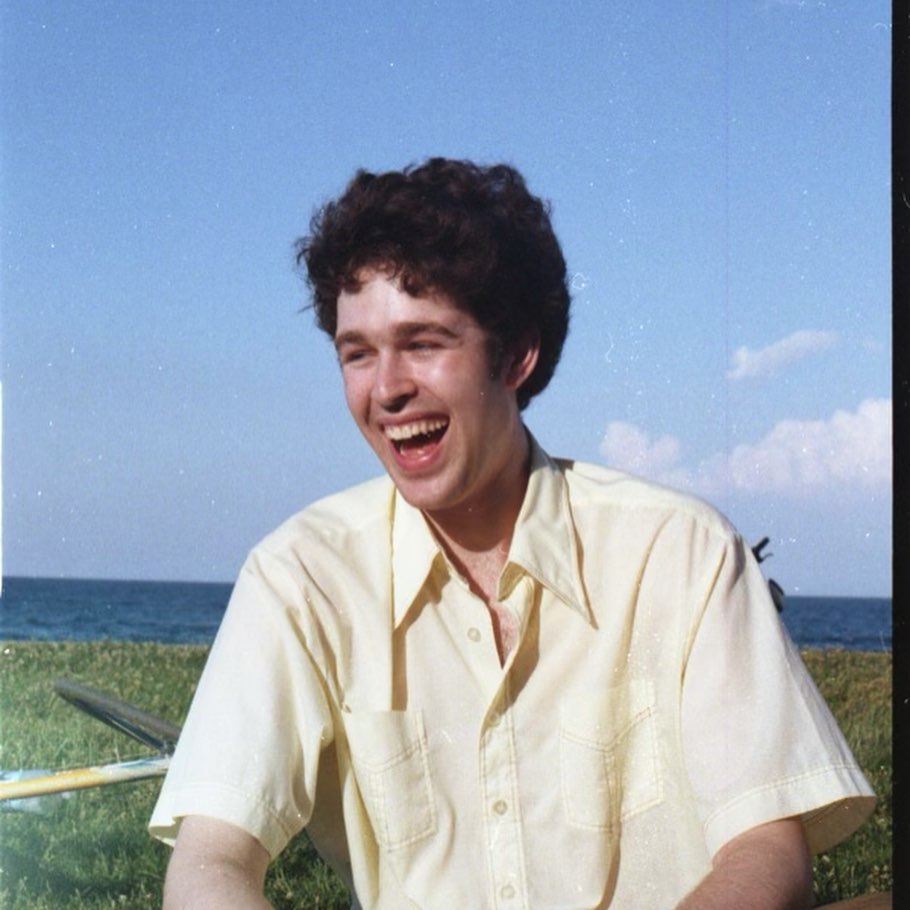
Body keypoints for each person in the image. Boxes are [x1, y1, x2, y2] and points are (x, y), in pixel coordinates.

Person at [150, 158, 875, 909]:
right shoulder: (300, 576)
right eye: (357, 353)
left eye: (423, 342)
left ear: (517, 356)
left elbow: (766, 850)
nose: (386, 388)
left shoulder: (682, 552)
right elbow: (209, 864)